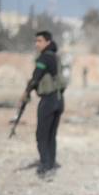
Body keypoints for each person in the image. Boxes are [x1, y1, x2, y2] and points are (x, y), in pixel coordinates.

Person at [19, 30, 65, 179]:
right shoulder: (56, 57)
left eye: (39, 41)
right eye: (36, 41)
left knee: (42, 135)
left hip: (49, 100)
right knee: (51, 135)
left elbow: (35, 78)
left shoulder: (44, 57)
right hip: (59, 100)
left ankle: (45, 166)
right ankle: (50, 165)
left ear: (47, 42)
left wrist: (26, 92)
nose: (36, 44)